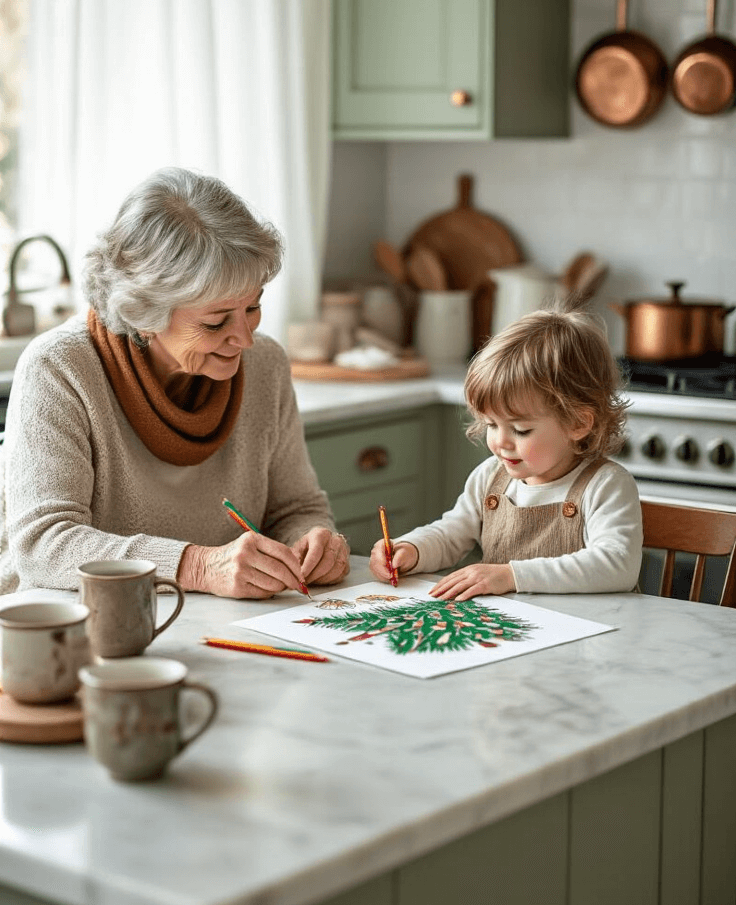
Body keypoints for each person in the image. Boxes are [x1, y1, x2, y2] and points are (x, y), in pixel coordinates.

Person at [0, 168, 349, 598]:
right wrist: (198, 567)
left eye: (253, 308)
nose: (245, 339)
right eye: (215, 322)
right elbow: (43, 545)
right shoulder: (59, 367)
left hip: (213, 620)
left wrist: (312, 540)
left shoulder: (266, 364)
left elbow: (297, 507)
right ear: (144, 315)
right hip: (76, 622)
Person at [369, 308, 642, 598]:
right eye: (491, 424)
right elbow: (450, 534)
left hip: (588, 625)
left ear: (577, 423)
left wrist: (511, 576)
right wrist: (412, 549)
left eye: (521, 430)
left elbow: (617, 565)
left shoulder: (605, 485)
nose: (501, 442)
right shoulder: (490, 477)